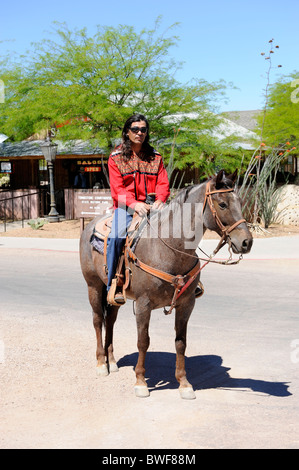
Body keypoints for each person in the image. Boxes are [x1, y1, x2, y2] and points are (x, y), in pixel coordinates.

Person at [106, 113, 170, 304]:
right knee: (116, 236)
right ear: (127, 132)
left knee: (180, 230)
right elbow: (117, 189)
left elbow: (163, 182)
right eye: (135, 129)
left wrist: (161, 199)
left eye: (143, 129)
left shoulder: (156, 156)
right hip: (126, 207)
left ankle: (190, 280)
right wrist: (134, 204)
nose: (139, 133)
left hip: (154, 206)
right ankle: (113, 284)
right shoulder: (116, 157)